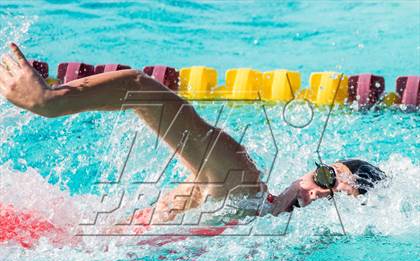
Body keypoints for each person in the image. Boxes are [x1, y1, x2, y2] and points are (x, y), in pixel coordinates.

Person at [0, 43, 386, 223]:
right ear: (308, 171)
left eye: (336, 198)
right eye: (326, 176)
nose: (320, 192)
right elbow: (145, 92)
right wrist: (52, 101)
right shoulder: (244, 185)